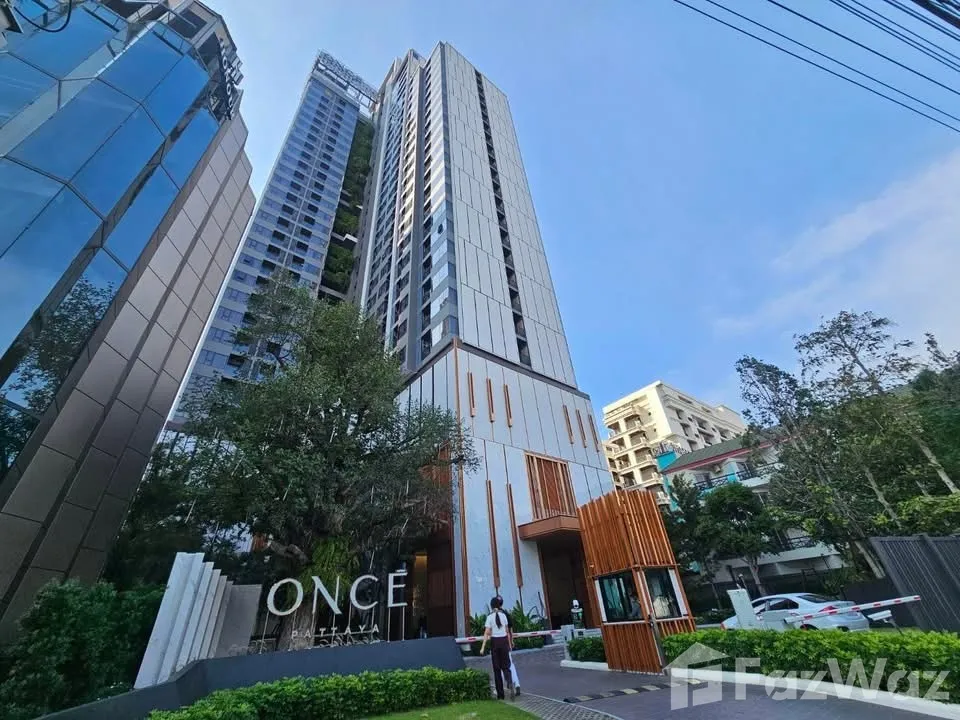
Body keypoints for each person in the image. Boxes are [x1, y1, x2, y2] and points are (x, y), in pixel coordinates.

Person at [479, 595, 515, 700]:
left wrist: (482, 647)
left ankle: (500, 695)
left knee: (497, 669)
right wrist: (509, 644)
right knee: (506, 666)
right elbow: (507, 632)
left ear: (491, 606)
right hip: (504, 642)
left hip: (495, 642)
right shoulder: (504, 616)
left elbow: (487, 633)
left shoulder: (489, 617)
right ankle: (509, 681)